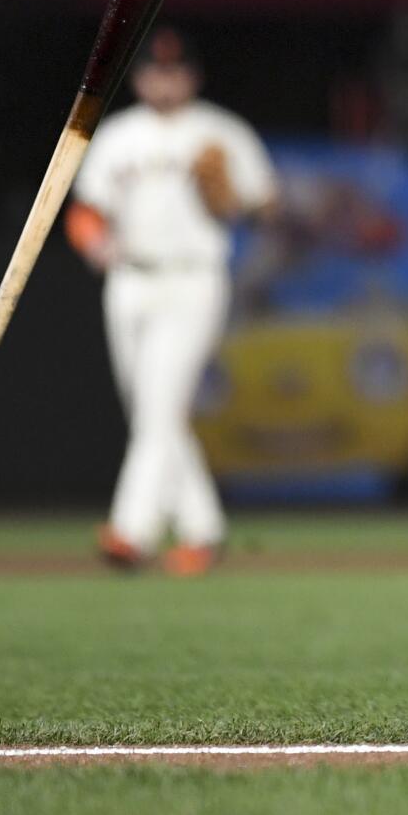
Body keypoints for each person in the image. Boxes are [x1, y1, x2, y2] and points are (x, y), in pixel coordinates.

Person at [66, 29, 276, 574]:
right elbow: (84, 211)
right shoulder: (117, 136)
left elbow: (265, 204)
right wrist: (95, 241)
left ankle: (131, 531)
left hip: (192, 281)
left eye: (176, 69)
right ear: (139, 78)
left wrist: (228, 198)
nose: (165, 79)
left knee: (158, 408)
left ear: (193, 75)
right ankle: (204, 531)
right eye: (156, 70)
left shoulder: (220, 131)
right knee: (151, 412)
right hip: (129, 281)